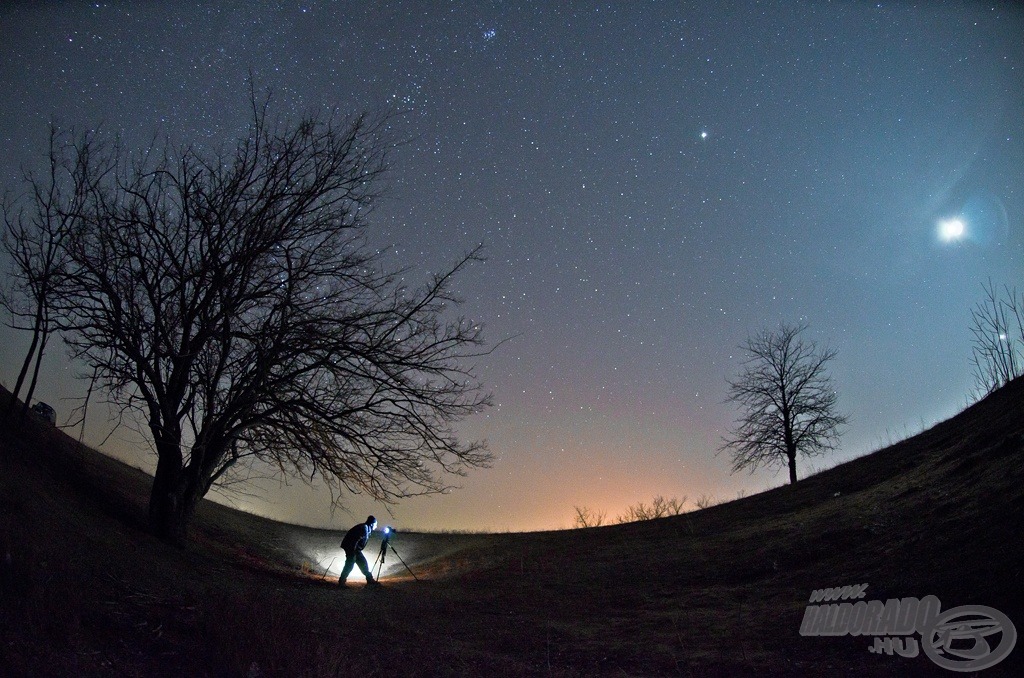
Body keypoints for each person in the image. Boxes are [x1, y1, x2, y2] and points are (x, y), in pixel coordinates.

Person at [338, 515, 380, 587]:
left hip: (355, 548)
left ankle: (369, 579)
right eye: (375, 524)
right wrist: (353, 552)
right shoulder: (363, 528)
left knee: (362, 562)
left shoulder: (366, 528)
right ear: (372, 524)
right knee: (350, 563)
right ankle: (342, 582)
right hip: (350, 547)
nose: (376, 526)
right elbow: (355, 540)